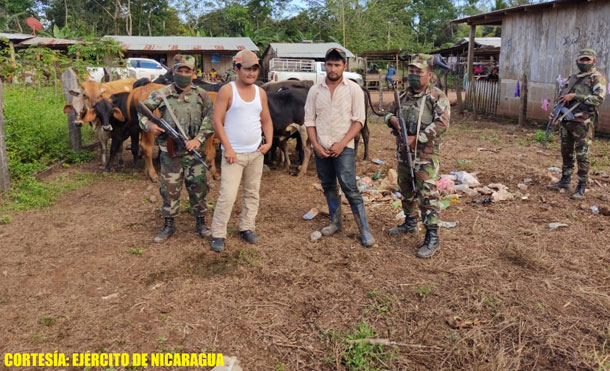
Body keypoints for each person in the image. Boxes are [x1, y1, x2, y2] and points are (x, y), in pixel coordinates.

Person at [139, 55, 214, 243]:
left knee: (198, 188)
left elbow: (211, 120)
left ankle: (201, 222)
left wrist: (198, 139)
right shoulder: (161, 94)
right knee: (169, 189)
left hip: (194, 153)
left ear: (193, 74)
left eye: (187, 71)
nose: (183, 74)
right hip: (170, 154)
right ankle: (169, 224)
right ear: (173, 71)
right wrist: (149, 126)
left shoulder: (202, 95)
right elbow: (141, 112)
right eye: (179, 70)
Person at [304, 48, 375, 247]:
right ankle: (336, 222)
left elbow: (359, 121)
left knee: (349, 187)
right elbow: (309, 120)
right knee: (328, 185)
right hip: (321, 148)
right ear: (325, 65)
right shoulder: (315, 90)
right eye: (329, 64)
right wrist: (316, 145)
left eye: (337, 65)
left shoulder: (353, 90)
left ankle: (365, 230)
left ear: (345, 66)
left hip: (344, 148)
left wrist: (342, 143)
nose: (333, 68)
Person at [384, 54, 450, 259]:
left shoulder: (436, 97)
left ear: (429, 75)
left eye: (418, 72)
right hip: (404, 152)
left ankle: (432, 237)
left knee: (427, 194)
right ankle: (410, 223)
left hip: (425, 155)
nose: (413, 76)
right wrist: (392, 120)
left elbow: (442, 123)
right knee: (405, 189)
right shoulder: (402, 96)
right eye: (411, 71)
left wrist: (418, 138)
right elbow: (387, 113)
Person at [209, 50, 273, 252]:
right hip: (233, 155)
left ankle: (246, 227)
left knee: (252, 193)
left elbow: (266, 119)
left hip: (255, 153)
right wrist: (227, 147)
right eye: (247, 69)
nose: (251, 73)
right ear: (237, 69)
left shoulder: (260, 93)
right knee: (227, 195)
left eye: (255, 69)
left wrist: (269, 141)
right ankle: (218, 233)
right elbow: (216, 121)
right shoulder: (227, 91)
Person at [548, 48, 607, 199]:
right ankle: (565, 180)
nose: (584, 62)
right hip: (567, 120)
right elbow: (562, 98)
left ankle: (581, 185)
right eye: (582, 60)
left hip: (583, 122)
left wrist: (576, 95)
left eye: (587, 60)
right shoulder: (572, 78)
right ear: (577, 61)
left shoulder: (597, 78)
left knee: (582, 154)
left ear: (594, 61)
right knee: (566, 151)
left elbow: (598, 99)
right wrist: (555, 113)